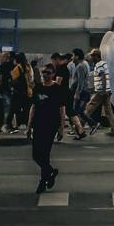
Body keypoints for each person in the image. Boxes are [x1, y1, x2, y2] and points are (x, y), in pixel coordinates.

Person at [28, 63, 67, 193]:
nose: (45, 75)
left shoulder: (57, 89)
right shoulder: (38, 88)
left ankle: (43, 181)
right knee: (35, 154)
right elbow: (33, 107)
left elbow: (62, 108)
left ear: (53, 74)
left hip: (51, 124)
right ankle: (50, 171)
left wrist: (62, 127)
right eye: (44, 72)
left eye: (48, 73)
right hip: (38, 123)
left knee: (45, 153)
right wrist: (29, 125)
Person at [84, 50, 114, 137]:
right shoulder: (104, 63)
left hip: (101, 92)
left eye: (92, 56)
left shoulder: (99, 64)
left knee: (89, 107)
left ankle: (79, 126)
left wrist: (103, 90)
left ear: (97, 56)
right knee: (108, 111)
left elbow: (103, 77)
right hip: (106, 91)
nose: (91, 58)